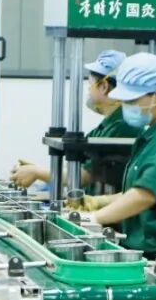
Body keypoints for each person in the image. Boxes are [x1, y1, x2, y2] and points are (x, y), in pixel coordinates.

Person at [68, 52, 156, 271]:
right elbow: (135, 190)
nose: (126, 106)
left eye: (132, 100)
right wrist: (98, 202)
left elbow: (146, 195)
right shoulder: (153, 135)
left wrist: (95, 218)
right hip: (146, 247)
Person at [11, 50, 142, 193]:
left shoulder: (124, 126)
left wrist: (38, 173)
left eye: (90, 83)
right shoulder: (106, 126)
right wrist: (37, 170)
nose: (89, 90)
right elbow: (78, 165)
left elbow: (84, 176)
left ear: (104, 86)